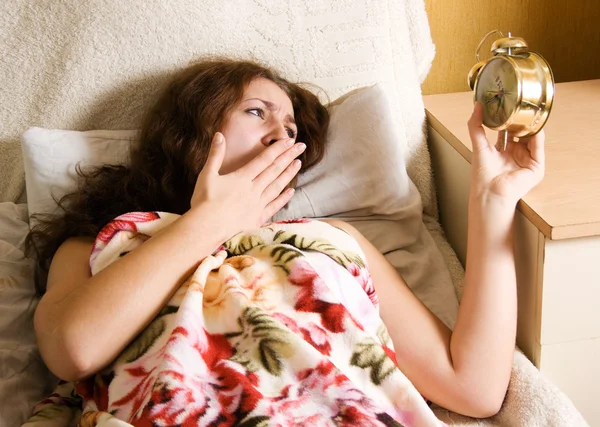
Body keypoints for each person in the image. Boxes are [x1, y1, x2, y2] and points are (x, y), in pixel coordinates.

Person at [27, 58, 545, 421]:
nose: (282, 135)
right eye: (257, 112)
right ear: (193, 128)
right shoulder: (106, 241)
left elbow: (473, 388)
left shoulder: (332, 242)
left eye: (292, 130)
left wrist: (492, 201)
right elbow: (73, 349)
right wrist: (209, 223)